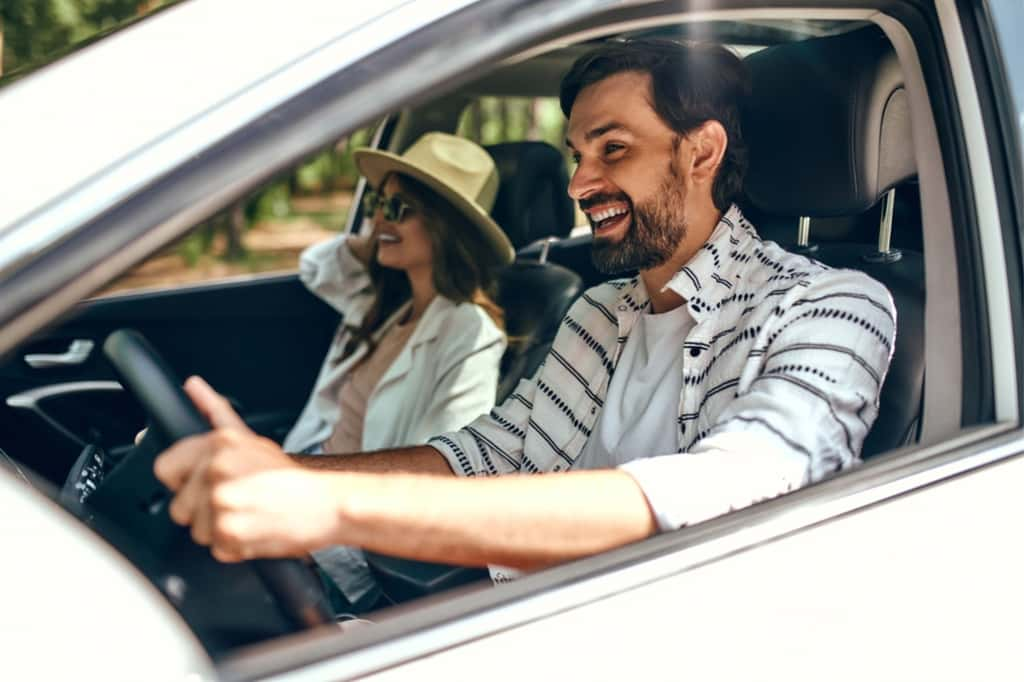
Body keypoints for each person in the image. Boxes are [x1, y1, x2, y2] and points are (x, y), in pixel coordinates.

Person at [154, 39, 896, 584]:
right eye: (577, 154)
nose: (580, 183)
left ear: (701, 154)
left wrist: (333, 508)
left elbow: (731, 491)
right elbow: (481, 456)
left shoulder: (834, 307)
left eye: (612, 150)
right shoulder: (602, 314)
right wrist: (293, 477)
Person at [282, 132, 514, 606]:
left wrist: (312, 532)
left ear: (446, 226)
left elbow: (444, 469)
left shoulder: (468, 332)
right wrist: (377, 235)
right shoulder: (384, 302)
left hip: (339, 537)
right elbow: (315, 267)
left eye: (400, 208)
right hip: (301, 485)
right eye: (378, 202)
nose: (380, 218)